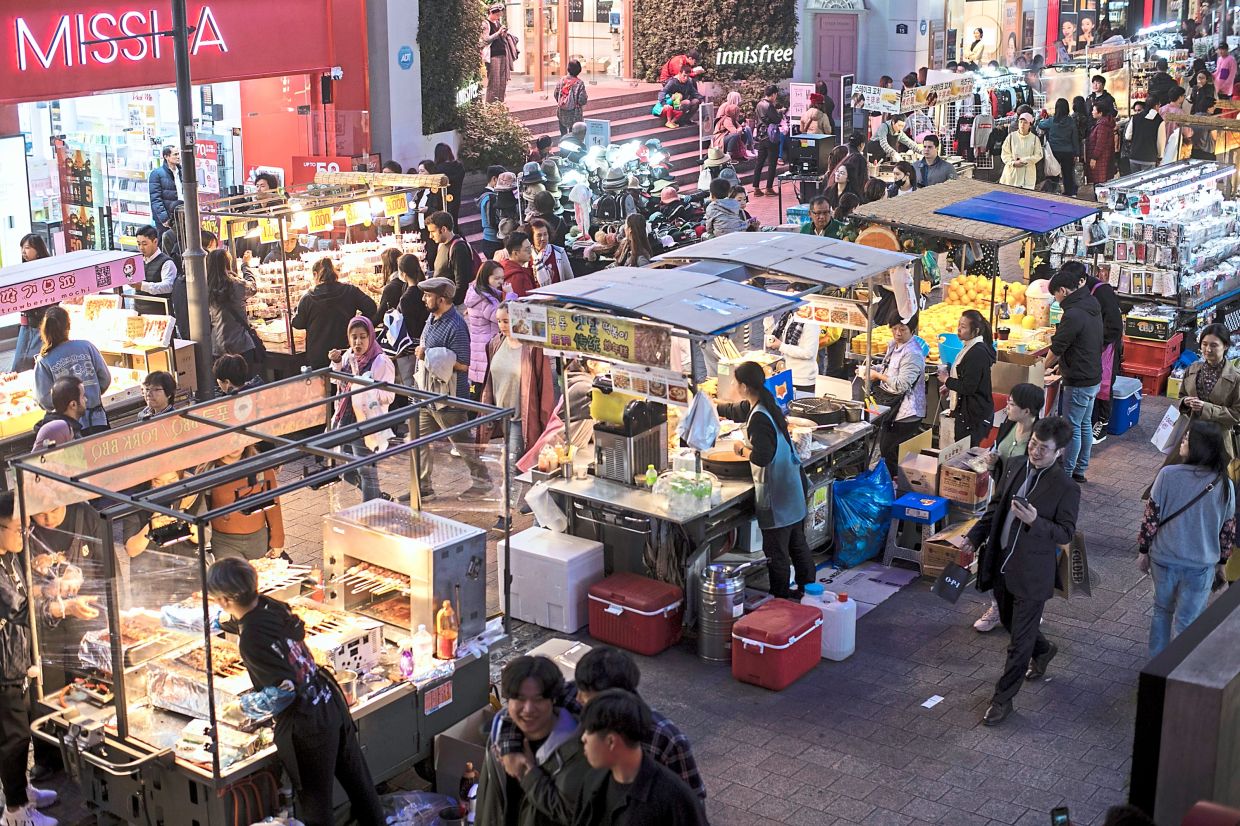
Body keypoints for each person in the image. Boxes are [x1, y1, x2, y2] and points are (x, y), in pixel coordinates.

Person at [206, 558, 384, 826]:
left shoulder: (251, 639)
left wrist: (241, 707)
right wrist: (197, 622)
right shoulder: (269, 605)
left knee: (316, 807)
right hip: (328, 701)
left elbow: (281, 694)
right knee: (360, 786)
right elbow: (238, 622)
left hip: (306, 723)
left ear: (224, 600)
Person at [962, 416, 1079, 727]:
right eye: (1033, 444)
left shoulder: (1066, 487)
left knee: (1018, 643)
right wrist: (975, 536)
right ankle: (1044, 650)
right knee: (1009, 621)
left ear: (1059, 452)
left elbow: (1066, 533)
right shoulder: (1015, 465)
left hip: (1033, 573)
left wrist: (1035, 521)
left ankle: (1002, 700)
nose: (1035, 452)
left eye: (1044, 448)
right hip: (1002, 563)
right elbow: (996, 507)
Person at [494, 646, 706, 805]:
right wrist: (510, 750)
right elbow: (516, 711)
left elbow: (692, 802)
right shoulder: (575, 695)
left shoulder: (665, 739)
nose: (578, 699)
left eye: (586, 697)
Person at [716, 361, 813, 600]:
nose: (732, 385)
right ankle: (809, 591)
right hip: (792, 486)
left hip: (778, 492)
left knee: (777, 551)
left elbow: (763, 457)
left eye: (735, 382)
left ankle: (780, 599)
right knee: (797, 543)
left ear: (744, 386)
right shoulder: (765, 403)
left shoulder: (759, 417)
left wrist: (740, 449)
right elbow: (739, 410)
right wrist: (712, 405)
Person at [1140, 420, 1234, 657]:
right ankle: (1180, 669)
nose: (1182, 440)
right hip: (1200, 564)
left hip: (1164, 558)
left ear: (1199, 446)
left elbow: (1151, 518)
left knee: (1161, 612)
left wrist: (1143, 551)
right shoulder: (1224, 484)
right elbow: (1227, 530)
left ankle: (1156, 666)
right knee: (1188, 622)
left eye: (1187, 438)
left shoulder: (1167, 475)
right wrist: (1222, 563)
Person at [0, 491, 61, 826]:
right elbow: (20, 609)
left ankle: (23, 790)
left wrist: (49, 587)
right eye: (18, 529)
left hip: (16, 661)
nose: (25, 535)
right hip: (2, 669)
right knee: (13, 740)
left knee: (21, 731)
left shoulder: (9, 556)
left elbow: (25, 593)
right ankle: (15, 812)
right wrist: (60, 608)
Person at [476, 656, 591, 826]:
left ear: (553, 699)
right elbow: (489, 803)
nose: (528, 709)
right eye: (520, 699)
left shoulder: (579, 750)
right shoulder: (500, 739)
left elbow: (573, 815)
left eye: (538, 699)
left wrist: (527, 774)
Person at [973, 382, 1047, 634]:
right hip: (1000, 499)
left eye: (1012, 404)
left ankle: (1028, 609)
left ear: (1027, 410)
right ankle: (997, 607)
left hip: (1025, 507)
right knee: (996, 554)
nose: (1007, 407)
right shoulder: (1007, 425)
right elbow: (1000, 457)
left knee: (1021, 559)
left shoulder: (1039, 437)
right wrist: (993, 462)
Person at [573, 690, 707, 826]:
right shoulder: (592, 781)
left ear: (611, 741)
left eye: (588, 731)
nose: (583, 738)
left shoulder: (674, 798)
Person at [414, 277, 492, 499]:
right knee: (419, 441)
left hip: (449, 398)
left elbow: (463, 364)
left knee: (463, 443)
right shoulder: (432, 318)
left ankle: (483, 481)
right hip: (427, 394)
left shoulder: (456, 326)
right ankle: (423, 488)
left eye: (428, 295)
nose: (424, 299)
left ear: (441, 299)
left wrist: (429, 355)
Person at [480, 303, 556, 481]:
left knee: (512, 467)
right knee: (510, 463)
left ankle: (510, 498)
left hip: (521, 417)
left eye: (506, 321)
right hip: (500, 414)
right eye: (499, 321)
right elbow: (489, 380)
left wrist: (545, 422)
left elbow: (544, 386)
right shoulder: (496, 343)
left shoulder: (532, 348)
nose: (502, 325)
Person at [329, 316, 396, 502]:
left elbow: (390, 395)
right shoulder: (348, 356)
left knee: (366, 472)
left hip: (366, 422)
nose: (358, 342)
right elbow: (335, 380)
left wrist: (367, 390)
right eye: (354, 337)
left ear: (370, 337)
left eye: (363, 337)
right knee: (345, 469)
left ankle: (371, 510)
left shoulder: (380, 361)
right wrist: (336, 363)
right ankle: (378, 497)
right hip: (345, 418)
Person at [1045, 268, 1103, 483]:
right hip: (1092, 374)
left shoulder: (1073, 314)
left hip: (1079, 378)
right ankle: (1080, 468)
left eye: (1055, 295)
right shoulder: (1091, 302)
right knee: (1084, 423)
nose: (1056, 299)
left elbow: (1058, 347)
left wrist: (1041, 367)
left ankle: (1066, 473)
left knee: (1072, 427)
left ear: (1063, 291)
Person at [34, 307, 110, 435]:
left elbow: (43, 399)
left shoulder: (44, 360)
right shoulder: (86, 346)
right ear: (68, 326)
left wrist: (65, 407)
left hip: (67, 429)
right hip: (97, 420)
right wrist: (91, 394)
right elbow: (105, 379)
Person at [291, 258, 378, 369]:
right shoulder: (350, 291)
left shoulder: (308, 298)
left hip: (318, 354)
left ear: (315, 274)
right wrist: (357, 324)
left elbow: (298, 323)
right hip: (344, 349)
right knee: (347, 379)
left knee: (322, 380)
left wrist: (294, 313)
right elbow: (371, 307)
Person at [1079, 265, 1122, 444]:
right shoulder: (1082, 292)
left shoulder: (1102, 291)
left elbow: (1115, 326)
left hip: (1106, 347)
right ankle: (1089, 423)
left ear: (1081, 280)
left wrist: (1097, 342)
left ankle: (1102, 423)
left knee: (1104, 384)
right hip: (1091, 345)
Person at [939, 309, 995, 447]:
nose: (959, 329)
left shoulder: (977, 353)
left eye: (963, 327)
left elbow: (968, 387)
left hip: (973, 417)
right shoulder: (969, 347)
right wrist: (950, 387)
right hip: (966, 413)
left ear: (975, 331)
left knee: (966, 452)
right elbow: (966, 378)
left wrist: (947, 380)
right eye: (959, 325)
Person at [206, 249, 257, 373]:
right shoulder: (236, 284)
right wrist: (245, 266)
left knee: (225, 380)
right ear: (227, 263)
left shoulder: (206, 287)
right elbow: (253, 288)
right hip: (240, 344)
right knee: (245, 380)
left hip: (218, 345)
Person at [466, 261, 510, 393]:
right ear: (485, 278)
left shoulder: (477, 293)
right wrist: (510, 295)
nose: (500, 282)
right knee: (484, 392)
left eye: (502, 278)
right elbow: (501, 316)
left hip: (479, 350)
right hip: (486, 350)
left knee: (478, 389)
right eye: (496, 278)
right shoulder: (485, 299)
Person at [12, 234, 52, 372]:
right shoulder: (24, 271)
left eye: (28, 248)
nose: (23, 251)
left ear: (38, 250)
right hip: (29, 324)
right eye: (22, 248)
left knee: (24, 363)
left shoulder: (47, 270)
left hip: (37, 325)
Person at [766, 307, 823, 397]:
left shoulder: (811, 322)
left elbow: (808, 353)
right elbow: (774, 338)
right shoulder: (788, 315)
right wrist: (768, 316)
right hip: (786, 374)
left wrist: (781, 346)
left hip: (803, 380)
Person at [426, 211, 479, 306]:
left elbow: (461, 284)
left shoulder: (458, 248)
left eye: (433, 232)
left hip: (453, 305)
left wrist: (449, 305)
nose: (430, 236)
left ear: (443, 229)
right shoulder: (441, 245)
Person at [1039, 99, 1082, 196]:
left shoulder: (1051, 121)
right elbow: (1074, 138)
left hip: (1054, 152)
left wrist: (1041, 119)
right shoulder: (1071, 122)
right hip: (1068, 152)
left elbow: (1040, 125)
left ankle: (1053, 191)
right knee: (1068, 174)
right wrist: (1076, 153)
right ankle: (1069, 193)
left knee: (1054, 172)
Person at [134, 224, 177, 315]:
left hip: (160, 315)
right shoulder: (138, 261)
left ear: (155, 241)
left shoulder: (167, 262)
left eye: (144, 244)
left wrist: (142, 285)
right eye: (138, 244)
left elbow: (168, 286)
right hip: (138, 313)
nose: (141, 248)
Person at [751, 85, 784, 197]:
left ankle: (756, 188)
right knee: (772, 163)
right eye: (776, 95)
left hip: (761, 136)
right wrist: (780, 113)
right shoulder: (769, 106)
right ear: (773, 94)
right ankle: (769, 188)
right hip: (770, 137)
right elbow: (777, 119)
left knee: (759, 163)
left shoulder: (759, 104)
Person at [31, 375, 86, 442]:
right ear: (73, 404)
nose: (86, 399)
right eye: (83, 397)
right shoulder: (60, 430)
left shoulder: (66, 427)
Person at [998, 112, 1043, 189]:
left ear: (1030, 125)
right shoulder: (1011, 137)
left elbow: (1038, 155)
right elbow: (1005, 154)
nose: (1022, 124)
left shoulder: (1035, 139)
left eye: (1025, 122)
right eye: (1021, 122)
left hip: (1027, 175)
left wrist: (1025, 160)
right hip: (1012, 175)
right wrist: (1013, 163)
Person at [481, 3, 515, 103]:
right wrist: (498, 33)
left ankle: (500, 104)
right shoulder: (485, 23)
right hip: (493, 55)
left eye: (500, 15)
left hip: (503, 54)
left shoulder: (498, 23)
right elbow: (486, 40)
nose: (498, 17)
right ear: (491, 12)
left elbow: (502, 38)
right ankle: (491, 105)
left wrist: (504, 34)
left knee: (502, 82)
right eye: (497, 15)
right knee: (494, 82)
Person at [147, 145, 182, 235]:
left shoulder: (182, 171)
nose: (178, 157)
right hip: (167, 218)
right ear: (166, 157)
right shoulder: (157, 174)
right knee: (167, 240)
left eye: (178, 154)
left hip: (182, 214)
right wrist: (164, 218)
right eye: (175, 154)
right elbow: (155, 198)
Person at [1125, 100, 1167, 172]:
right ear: (1156, 106)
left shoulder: (1135, 117)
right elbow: (1160, 142)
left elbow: (1128, 136)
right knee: (1147, 178)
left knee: (1135, 178)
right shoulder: (1159, 121)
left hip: (1134, 156)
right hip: (1149, 158)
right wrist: (1160, 156)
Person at [530, 218, 574, 284]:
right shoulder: (527, 255)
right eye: (539, 235)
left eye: (545, 234)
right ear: (532, 237)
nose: (543, 238)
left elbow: (570, 278)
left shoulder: (559, 252)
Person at [477, 165, 508, 259]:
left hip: (491, 240)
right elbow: (492, 221)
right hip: (493, 241)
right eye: (502, 180)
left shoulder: (488, 195)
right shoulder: (490, 197)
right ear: (494, 179)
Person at [555, 60, 590, 136]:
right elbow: (582, 100)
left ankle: (563, 142)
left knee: (563, 134)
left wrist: (564, 102)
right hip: (575, 113)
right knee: (574, 135)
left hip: (562, 112)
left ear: (568, 69)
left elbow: (556, 94)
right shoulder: (579, 83)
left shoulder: (562, 80)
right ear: (579, 70)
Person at [1086, 102, 1117, 184]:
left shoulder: (1102, 125)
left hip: (1101, 159)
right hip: (1103, 158)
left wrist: (1094, 158)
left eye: (1094, 110)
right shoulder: (1103, 123)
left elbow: (1100, 143)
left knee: (1100, 182)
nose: (1092, 112)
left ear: (1100, 113)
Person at [435, 143, 467, 223]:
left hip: (441, 199)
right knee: (454, 221)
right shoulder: (459, 166)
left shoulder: (438, 169)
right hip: (456, 197)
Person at [501, 231, 538, 298]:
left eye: (530, 247)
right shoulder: (517, 277)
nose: (530, 252)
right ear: (515, 253)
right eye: (527, 249)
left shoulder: (504, 267)